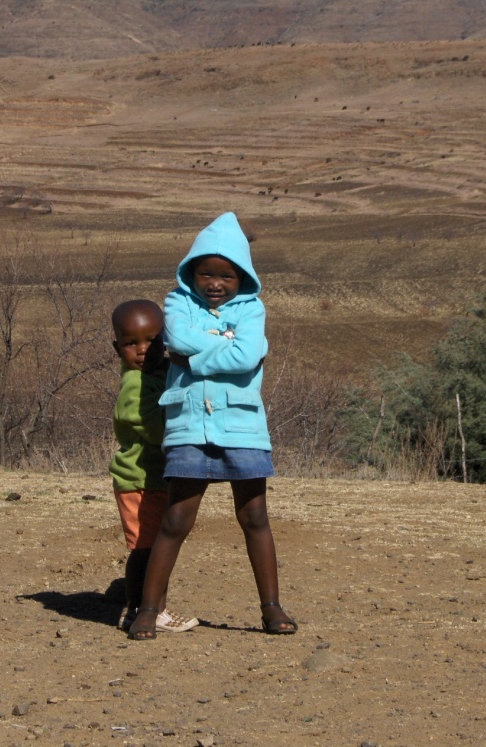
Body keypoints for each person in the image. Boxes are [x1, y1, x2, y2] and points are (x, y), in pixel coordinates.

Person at [128, 213, 297, 641]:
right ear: (191, 272)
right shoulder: (176, 302)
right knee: (176, 518)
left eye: (226, 275)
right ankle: (148, 608)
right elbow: (182, 341)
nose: (215, 283)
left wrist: (196, 360)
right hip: (188, 425)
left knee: (255, 515)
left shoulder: (252, 307)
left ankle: (271, 608)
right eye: (206, 273)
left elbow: (238, 357)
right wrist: (228, 345)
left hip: (242, 426)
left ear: (243, 277)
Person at [110, 299, 199, 634]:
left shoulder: (154, 373)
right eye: (132, 343)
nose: (143, 349)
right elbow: (152, 427)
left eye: (152, 341)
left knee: (151, 546)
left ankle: (147, 606)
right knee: (145, 549)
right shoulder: (136, 384)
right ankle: (143, 609)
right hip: (139, 479)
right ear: (117, 347)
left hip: (152, 478)